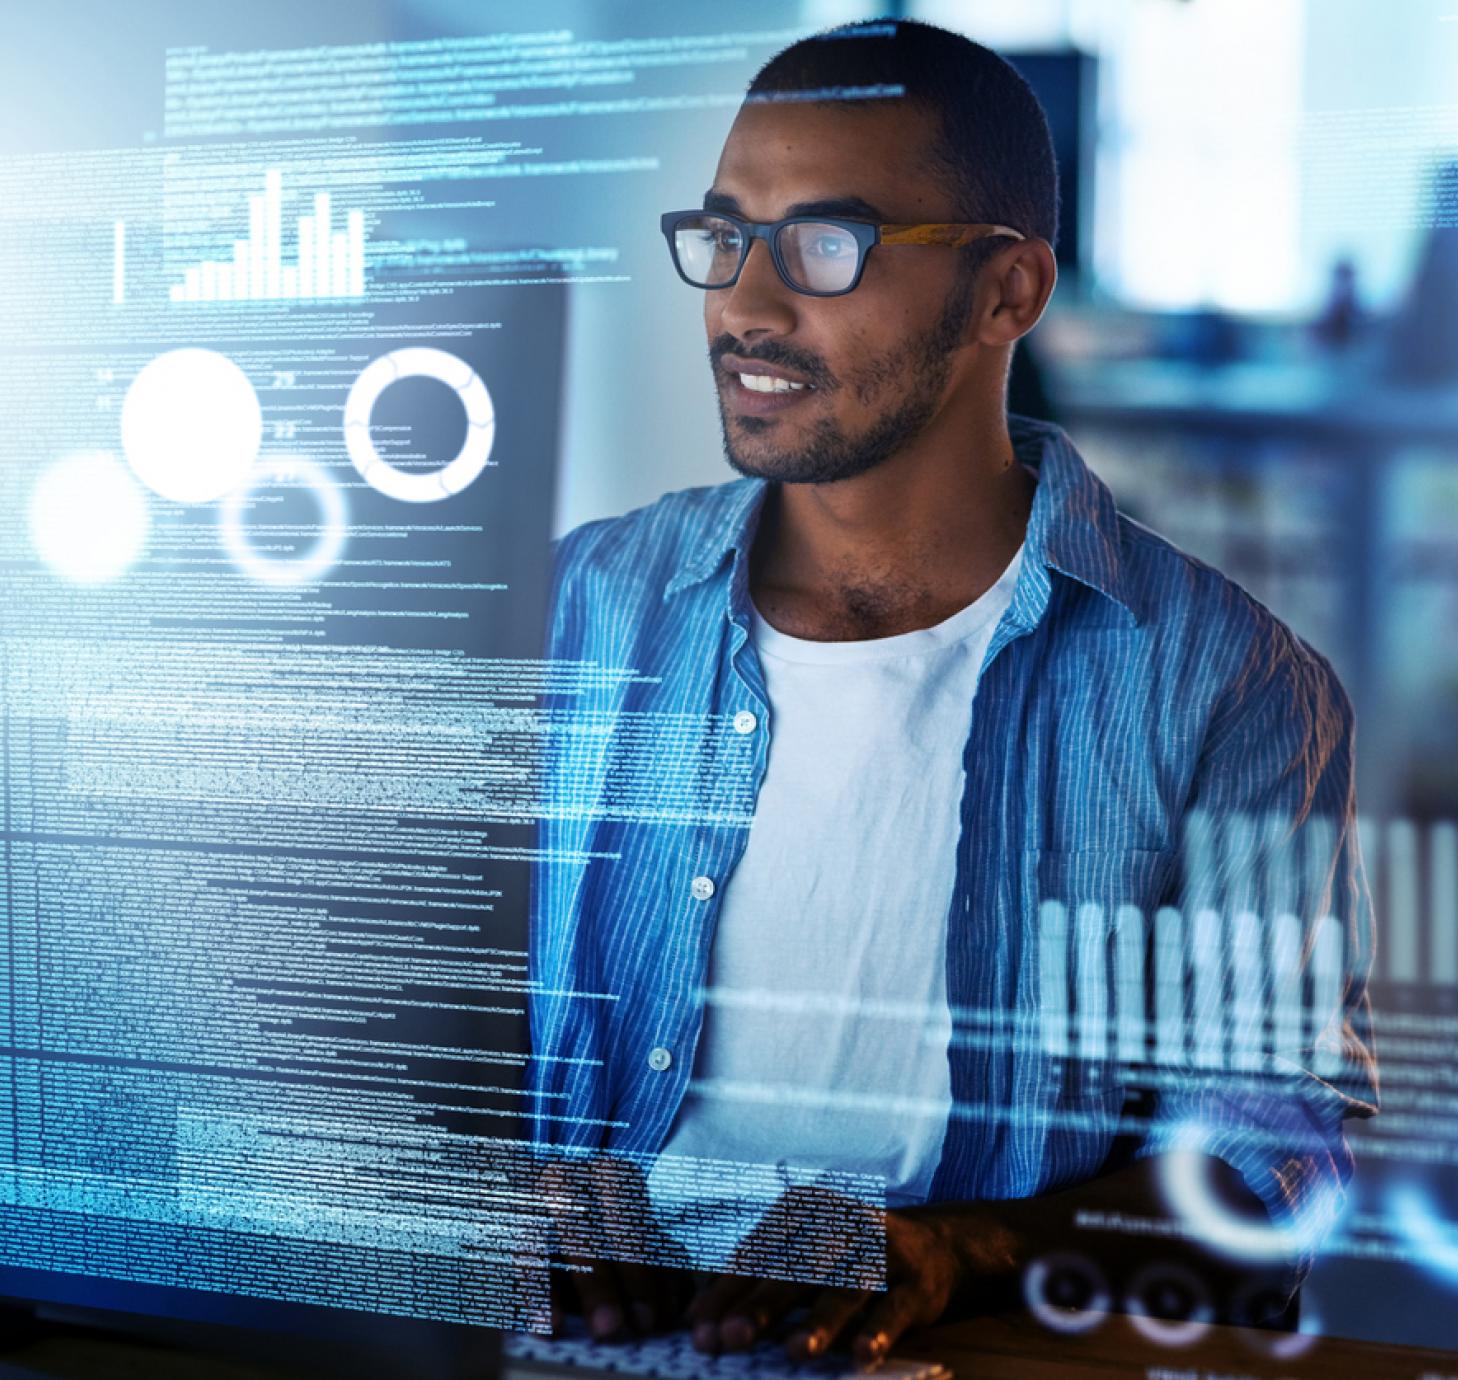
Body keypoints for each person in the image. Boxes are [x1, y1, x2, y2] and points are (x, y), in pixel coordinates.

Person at [525, 18, 1377, 1367]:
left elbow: (1270, 1165)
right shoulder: (568, 617)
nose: (746, 302)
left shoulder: (1229, 686)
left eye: (824, 244)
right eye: (726, 235)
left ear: (1007, 293)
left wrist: (949, 1256)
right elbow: (369, 1016)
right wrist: (478, 1185)